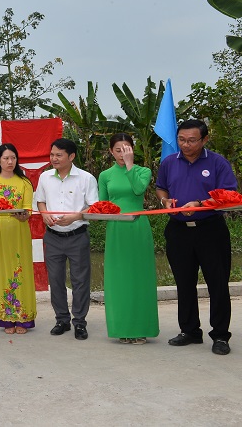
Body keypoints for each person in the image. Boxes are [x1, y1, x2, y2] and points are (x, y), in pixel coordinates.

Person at [156, 119, 237, 355]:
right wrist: (165, 200)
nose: (186, 145)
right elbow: (161, 187)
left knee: (218, 283)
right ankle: (190, 331)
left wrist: (200, 204)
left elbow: (229, 195)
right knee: (184, 283)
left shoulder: (217, 163)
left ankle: (220, 335)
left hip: (210, 230)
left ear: (204, 140)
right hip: (178, 230)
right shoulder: (170, 162)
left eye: (192, 140)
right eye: (181, 140)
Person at [35, 138, 98, 340]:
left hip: (77, 236)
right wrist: (44, 214)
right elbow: (40, 201)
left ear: (71, 156)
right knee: (56, 279)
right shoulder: (45, 177)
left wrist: (75, 216)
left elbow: (93, 207)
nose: (54, 158)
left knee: (80, 281)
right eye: (52, 154)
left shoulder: (86, 178)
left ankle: (79, 322)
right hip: (52, 237)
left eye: (58, 155)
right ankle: (61, 319)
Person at [99, 133, 159, 344]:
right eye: (118, 150)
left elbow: (138, 189)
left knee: (139, 277)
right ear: (110, 151)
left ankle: (141, 328)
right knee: (119, 279)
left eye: (126, 149)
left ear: (133, 149)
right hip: (116, 229)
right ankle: (121, 328)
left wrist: (130, 164)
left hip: (137, 227)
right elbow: (102, 204)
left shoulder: (143, 171)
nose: (122, 153)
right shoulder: (105, 175)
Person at [0, 144, 36, 334]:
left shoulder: (25, 182)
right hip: (0, 232)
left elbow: (28, 209)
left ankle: (24, 318)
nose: (10, 162)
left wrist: (24, 216)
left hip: (19, 232)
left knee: (21, 272)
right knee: (3, 271)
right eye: (5, 158)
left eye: (13, 158)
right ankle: (7, 319)